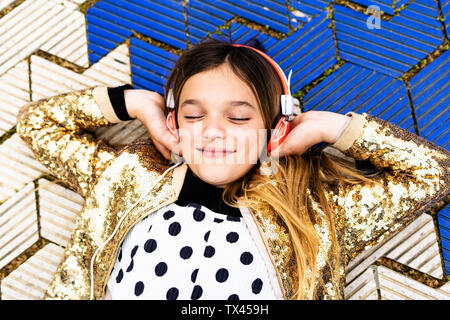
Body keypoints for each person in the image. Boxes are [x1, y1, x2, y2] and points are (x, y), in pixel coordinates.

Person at [16, 39, 449, 300]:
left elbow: (435, 173)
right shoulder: (128, 174)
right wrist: (137, 105)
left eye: (239, 118)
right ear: (174, 126)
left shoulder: (315, 213)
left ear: (275, 130)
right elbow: (37, 123)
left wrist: (325, 126)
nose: (214, 132)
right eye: (193, 116)